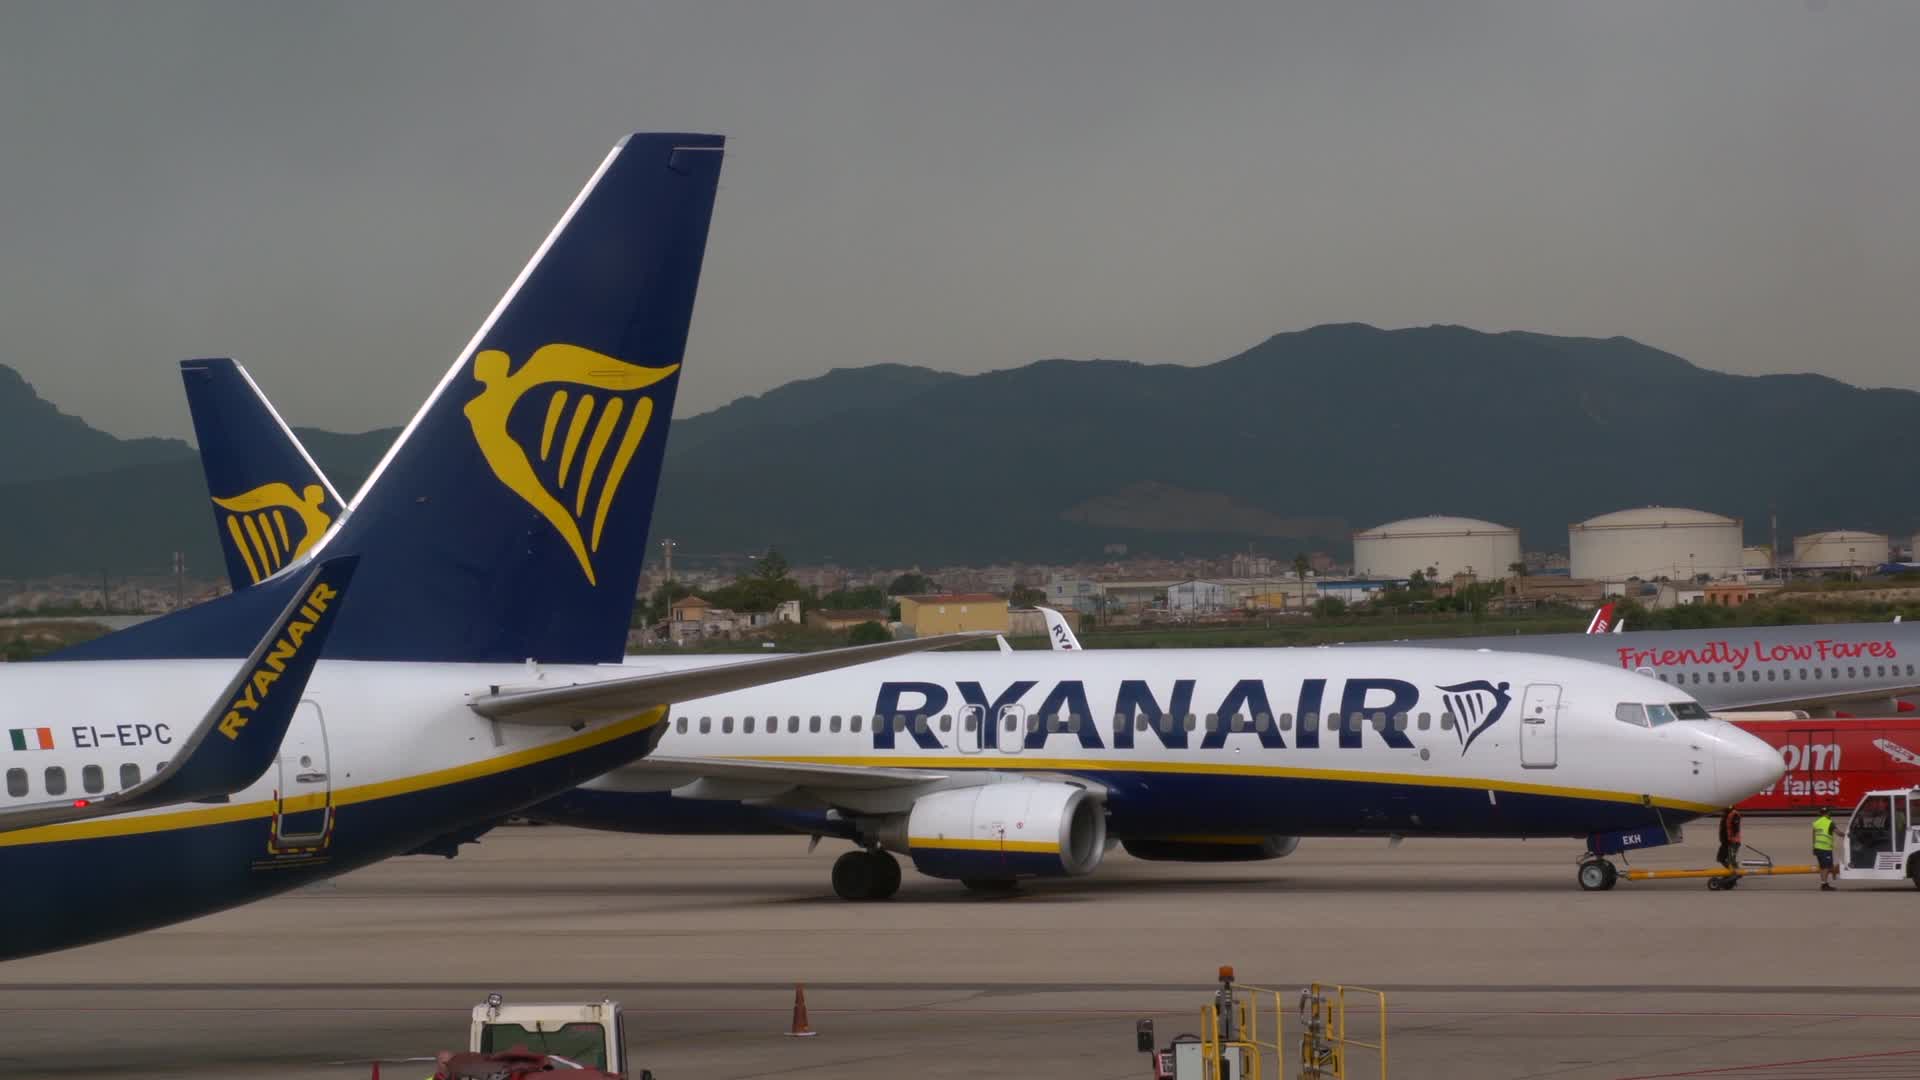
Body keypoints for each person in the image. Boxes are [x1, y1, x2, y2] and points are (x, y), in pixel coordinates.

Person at [1715, 806, 1743, 886]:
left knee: (1731, 860)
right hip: (1725, 842)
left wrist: (1732, 839)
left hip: (1732, 842)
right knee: (1721, 858)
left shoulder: (1734, 814)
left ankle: (1735, 874)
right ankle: (1733, 873)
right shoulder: (1726, 813)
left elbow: (1735, 828)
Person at [1812, 805, 1838, 890]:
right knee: (1826, 867)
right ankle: (1824, 884)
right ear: (1828, 813)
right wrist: (1846, 835)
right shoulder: (1830, 822)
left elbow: (1814, 836)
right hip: (1825, 848)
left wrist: (1813, 847)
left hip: (1817, 848)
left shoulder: (1816, 823)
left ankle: (1824, 883)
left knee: (1823, 867)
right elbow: (1838, 832)